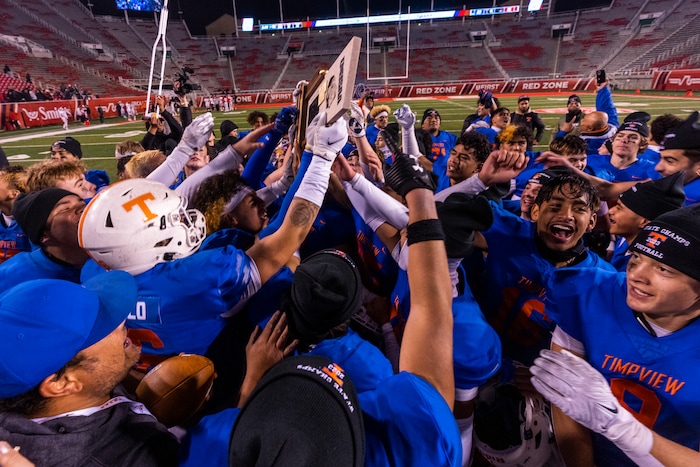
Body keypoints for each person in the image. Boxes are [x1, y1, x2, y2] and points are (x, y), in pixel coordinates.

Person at [182, 134, 462, 466]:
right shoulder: (377, 377)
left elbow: (431, 315)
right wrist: (419, 197)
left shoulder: (212, 440)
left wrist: (253, 382)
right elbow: (432, 319)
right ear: (350, 314)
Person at [78, 112, 348, 369]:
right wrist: (322, 158)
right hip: (219, 383)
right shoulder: (203, 274)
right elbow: (288, 235)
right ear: (144, 241)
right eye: (174, 220)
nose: (184, 219)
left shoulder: (96, 272)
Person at [532, 203, 700, 467]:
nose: (636, 276)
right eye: (637, 258)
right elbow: (565, 397)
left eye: (663, 269)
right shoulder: (589, 292)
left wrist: (625, 430)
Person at [0, 272, 178, 466]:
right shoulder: (138, 456)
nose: (121, 321)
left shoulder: (32, 389)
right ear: (61, 384)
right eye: (99, 328)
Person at [0, 189, 87, 288]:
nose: (83, 209)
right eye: (65, 209)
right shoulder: (10, 278)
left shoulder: (105, 252)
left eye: (82, 204)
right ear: (44, 236)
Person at [607, 172, 685, 271]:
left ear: (644, 222)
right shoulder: (625, 238)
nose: (611, 211)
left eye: (619, 208)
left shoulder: (648, 268)